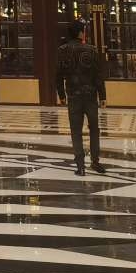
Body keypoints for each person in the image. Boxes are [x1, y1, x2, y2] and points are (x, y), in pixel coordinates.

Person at [55, 19, 106, 175]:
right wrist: (102, 96)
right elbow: (98, 75)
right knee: (94, 129)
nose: (84, 33)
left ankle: (80, 165)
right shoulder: (92, 50)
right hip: (90, 95)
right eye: (83, 30)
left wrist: (61, 95)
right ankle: (95, 162)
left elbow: (58, 75)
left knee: (75, 130)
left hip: (73, 95)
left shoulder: (62, 50)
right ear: (79, 33)